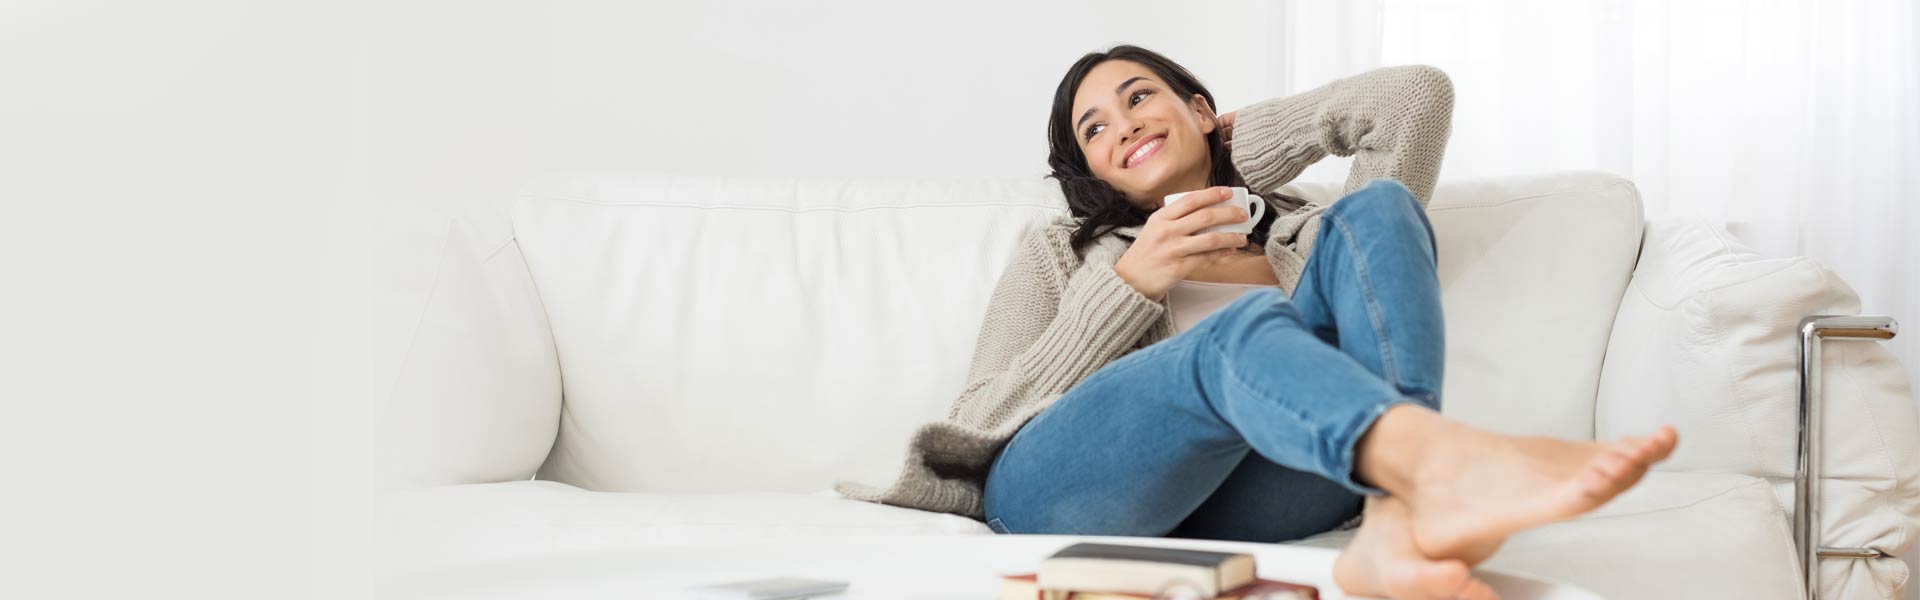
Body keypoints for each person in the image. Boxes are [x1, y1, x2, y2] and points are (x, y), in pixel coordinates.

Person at [835, 44, 1677, 600]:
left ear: (1201, 109)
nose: (1123, 124)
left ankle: (1396, 515)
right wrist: (1131, 283)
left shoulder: (1307, 232)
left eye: (1140, 99)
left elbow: (1414, 97)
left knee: (1381, 206)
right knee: (1236, 337)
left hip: (1255, 495)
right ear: (1088, 167)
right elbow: (982, 413)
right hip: (1070, 490)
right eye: (1096, 129)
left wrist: (1240, 149)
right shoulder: (1065, 249)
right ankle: (1436, 473)